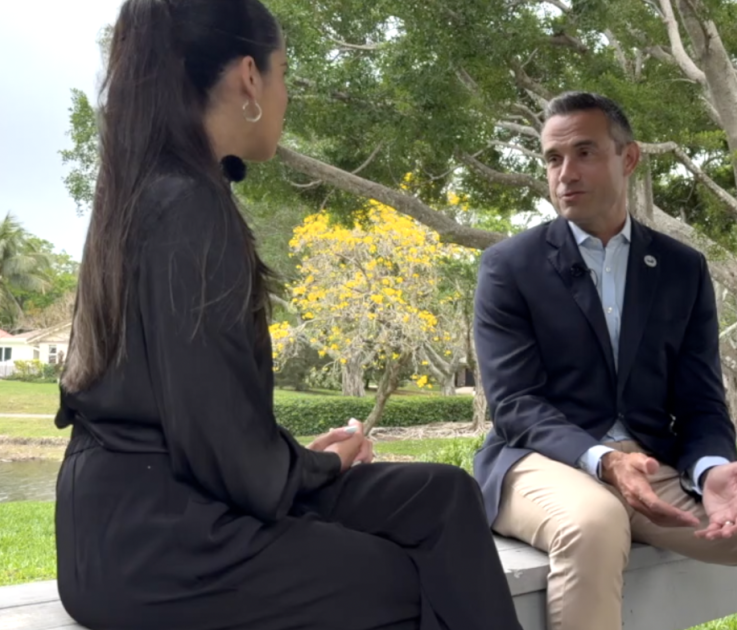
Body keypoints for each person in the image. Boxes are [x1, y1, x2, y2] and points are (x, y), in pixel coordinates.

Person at [52, 2, 522, 629]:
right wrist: (317, 466)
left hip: (132, 518)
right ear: (249, 77)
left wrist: (303, 462)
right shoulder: (188, 207)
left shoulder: (154, 190)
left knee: (442, 496)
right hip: (159, 543)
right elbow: (221, 450)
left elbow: (206, 423)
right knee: (405, 578)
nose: (286, 94)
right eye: (284, 74)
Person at [472, 91, 737, 630]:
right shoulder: (509, 266)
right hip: (540, 463)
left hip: (656, 472)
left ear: (629, 158)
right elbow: (515, 405)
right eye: (553, 158)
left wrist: (710, 469)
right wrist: (605, 461)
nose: (565, 172)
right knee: (595, 522)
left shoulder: (681, 268)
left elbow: (701, 401)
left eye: (585, 153)